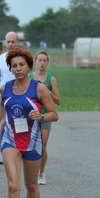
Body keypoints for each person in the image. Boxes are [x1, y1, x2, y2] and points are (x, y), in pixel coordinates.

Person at [0, 47, 58, 198]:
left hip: (32, 140)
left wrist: (42, 117)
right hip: (10, 139)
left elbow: (54, 113)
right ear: (10, 68)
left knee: (31, 185)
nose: (18, 68)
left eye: (21, 65)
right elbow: (3, 106)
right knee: (13, 186)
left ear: (29, 67)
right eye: (14, 66)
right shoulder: (6, 88)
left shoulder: (39, 88)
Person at [29, 51, 61, 185]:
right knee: (30, 146)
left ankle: (41, 173)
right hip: (31, 116)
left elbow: (58, 101)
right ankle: (31, 172)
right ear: (35, 62)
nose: (42, 63)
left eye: (44, 60)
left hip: (45, 116)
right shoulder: (29, 77)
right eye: (39, 60)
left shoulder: (51, 79)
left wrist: (47, 92)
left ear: (47, 62)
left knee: (42, 146)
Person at [0, 31, 20, 165]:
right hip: (4, 93)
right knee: (2, 123)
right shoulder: (0, 58)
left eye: (13, 42)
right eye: (8, 42)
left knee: (18, 122)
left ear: (17, 42)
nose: (10, 44)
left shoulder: (22, 57)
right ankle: (2, 151)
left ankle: (20, 149)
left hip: (19, 92)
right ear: (5, 42)